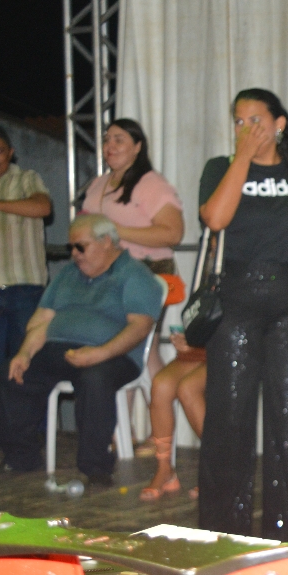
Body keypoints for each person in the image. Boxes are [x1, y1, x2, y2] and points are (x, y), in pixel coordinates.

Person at [197, 88, 288, 544]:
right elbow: (215, 218)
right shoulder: (220, 167)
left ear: (279, 124)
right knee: (229, 409)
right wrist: (242, 158)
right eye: (239, 121)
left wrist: (283, 256)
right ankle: (222, 523)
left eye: (256, 120)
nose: (246, 128)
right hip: (236, 296)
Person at [0, 214, 160, 485]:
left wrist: (99, 353)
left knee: (95, 379)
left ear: (106, 241)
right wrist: (24, 353)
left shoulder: (134, 275)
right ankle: (21, 458)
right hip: (59, 349)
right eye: (71, 247)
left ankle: (96, 467)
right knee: (10, 372)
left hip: (114, 354)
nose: (74, 254)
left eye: (80, 246)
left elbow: (140, 327)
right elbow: (40, 321)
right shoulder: (68, 275)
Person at [81, 118, 185, 381]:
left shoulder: (151, 183)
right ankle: (122, 410)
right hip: (103, 277)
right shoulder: (98, 184)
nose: (110, 146)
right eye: (107, 140)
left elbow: (173, 233)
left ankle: (160, 404)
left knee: (142, 350)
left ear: (138, 147)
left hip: (146, 272)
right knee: (112, 349)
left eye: (119, 140)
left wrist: (115, 231)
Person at [0, 124, 52, 463]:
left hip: (24, 289)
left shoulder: (26, 178)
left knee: (27, 366)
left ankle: (32, 437)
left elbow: (42, 208)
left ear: (10, 152)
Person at [138, 330, 206, 501]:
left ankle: (219, 468)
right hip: (195, 353)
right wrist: (186, 339)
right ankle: (165, 470)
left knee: (188, 389)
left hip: (226, 352)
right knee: (161, 384)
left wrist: (199, 342)